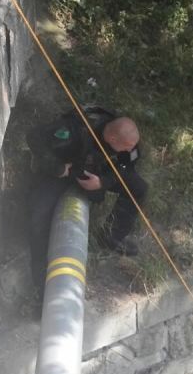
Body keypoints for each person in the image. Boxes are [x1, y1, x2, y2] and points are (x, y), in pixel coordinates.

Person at [26, 105, 148, 298]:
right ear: (113, 139)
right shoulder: (74, 131)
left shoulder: (125, 141)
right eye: (127, 146)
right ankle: (42, 283)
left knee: (139, 188)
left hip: (96, 173)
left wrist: (103, 182)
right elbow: (35, 137)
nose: (131, 149)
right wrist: (57, 168)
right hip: (65, 172)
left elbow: (128, 164)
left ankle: (112, 237)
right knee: (39, 217)